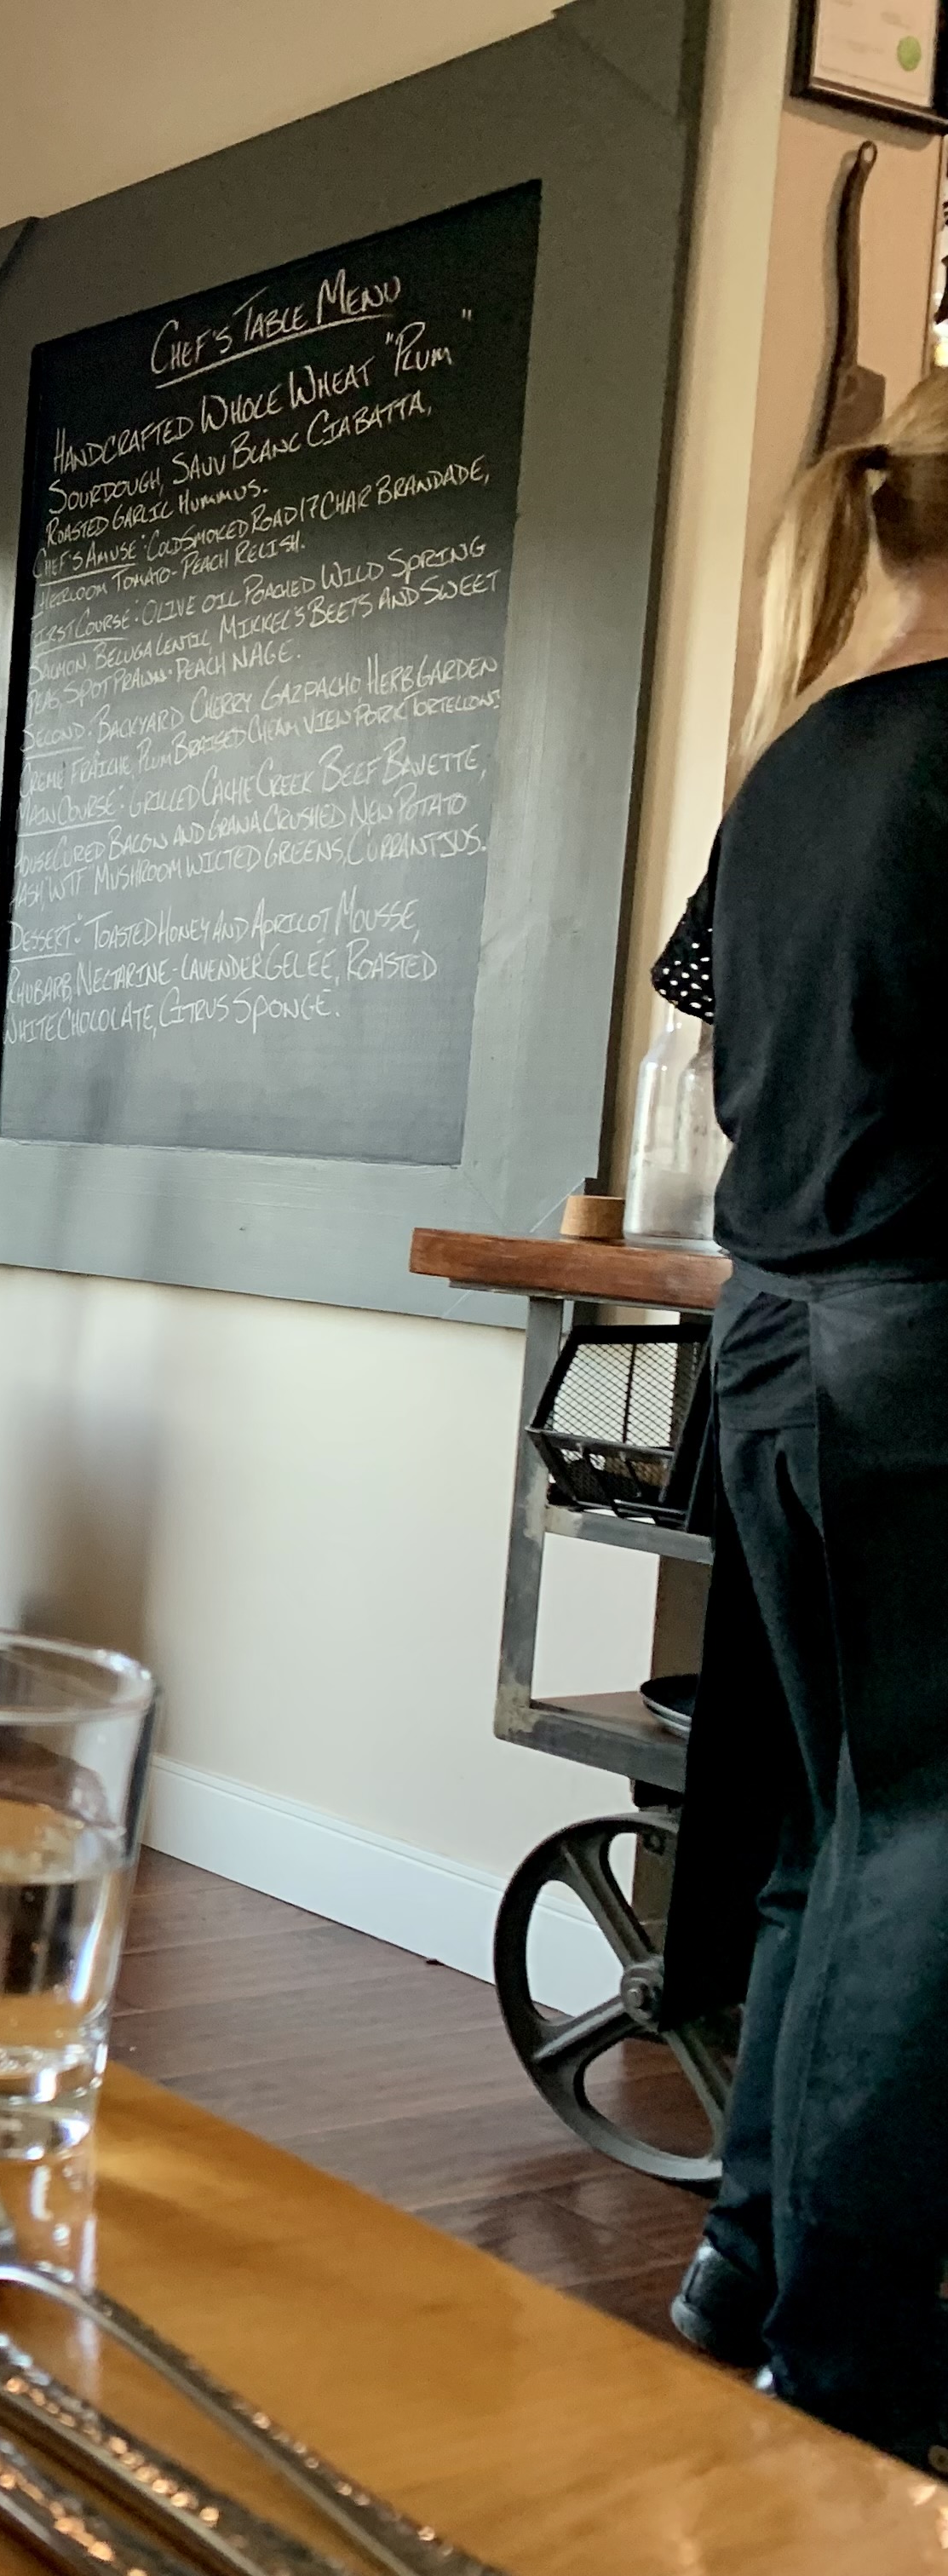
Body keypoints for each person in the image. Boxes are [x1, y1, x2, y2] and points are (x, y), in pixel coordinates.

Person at [656, 371, 948, 2471]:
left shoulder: (796, 762)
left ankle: (743, 2271)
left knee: (833, 1826)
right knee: (921, 1835)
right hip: (916, 1337)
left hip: (769, 1334)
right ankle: (849, 2368)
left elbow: (718, 1027)